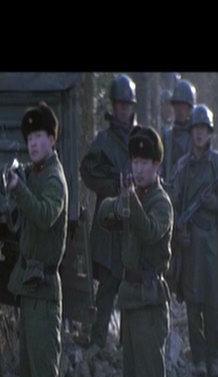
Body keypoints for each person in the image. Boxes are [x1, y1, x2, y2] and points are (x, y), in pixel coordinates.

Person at [99, 126, 173, 377]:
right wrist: (121, 202)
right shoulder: (132, 196)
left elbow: (149, 231)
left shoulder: (160, 202)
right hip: (130, 300)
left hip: (149, 301)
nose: (139, 168)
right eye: (135, 161)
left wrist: (131, 203)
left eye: (146, 162)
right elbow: (105, 214)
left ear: (157, 166)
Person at [5, 102, 68, 377]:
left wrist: (21, 191)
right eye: (29, 138)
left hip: (44, 290)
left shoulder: (54, 179)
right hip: (28, 287)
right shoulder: (34, 175)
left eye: (39, 136)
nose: (33, 144)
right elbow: (21, 222)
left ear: (52, 139)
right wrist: (15, 192)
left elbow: (45, 215)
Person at [168, 104, 218, 377]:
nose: (199, 134)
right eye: (195, 129)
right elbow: (173, 204)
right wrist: (178, 231)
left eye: (203, 129)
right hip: (190, 245)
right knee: (193, 303)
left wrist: (213, 203)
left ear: (210, 133)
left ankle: (214, 359)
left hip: (214, 245)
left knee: (213, 303)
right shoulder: (182, 167)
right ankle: (198, 359)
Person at [80, 74, 136, 355]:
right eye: (119, 104)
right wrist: (113, 186)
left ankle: (129, 345)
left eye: (127, 105)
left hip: (135, 222)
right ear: (113, 106)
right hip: (110, 221)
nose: (123, 109)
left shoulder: (141, 139)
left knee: (132, 284)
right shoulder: (103, 141)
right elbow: (88, 172)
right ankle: (98, 341)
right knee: (108, 284)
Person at [161, 79, 197, 181]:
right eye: (177, 106)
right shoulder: (167, 137)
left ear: (190, 108)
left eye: (183, 106)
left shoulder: (196, 137)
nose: (180, 110)